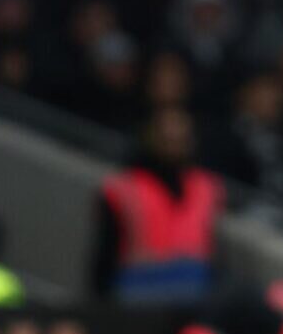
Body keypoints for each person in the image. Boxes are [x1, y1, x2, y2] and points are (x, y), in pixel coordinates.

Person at [91, 106, 225, 304]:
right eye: (167, 139)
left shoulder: (206, 188)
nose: (174, 146)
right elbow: (105, 254)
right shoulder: (124, 188)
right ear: (151, 137)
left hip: (195, 293)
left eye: (180, 139)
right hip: (138, 293)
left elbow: (213, 249)